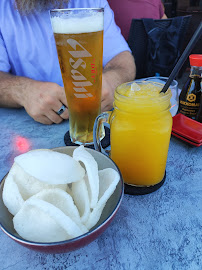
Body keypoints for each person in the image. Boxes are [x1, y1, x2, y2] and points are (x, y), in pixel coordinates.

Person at [0, 0, 136, 125]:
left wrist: (112, 82)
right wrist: (23, 91)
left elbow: (122, 59)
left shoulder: (91, 2)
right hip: (27, 128)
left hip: (94, 120)